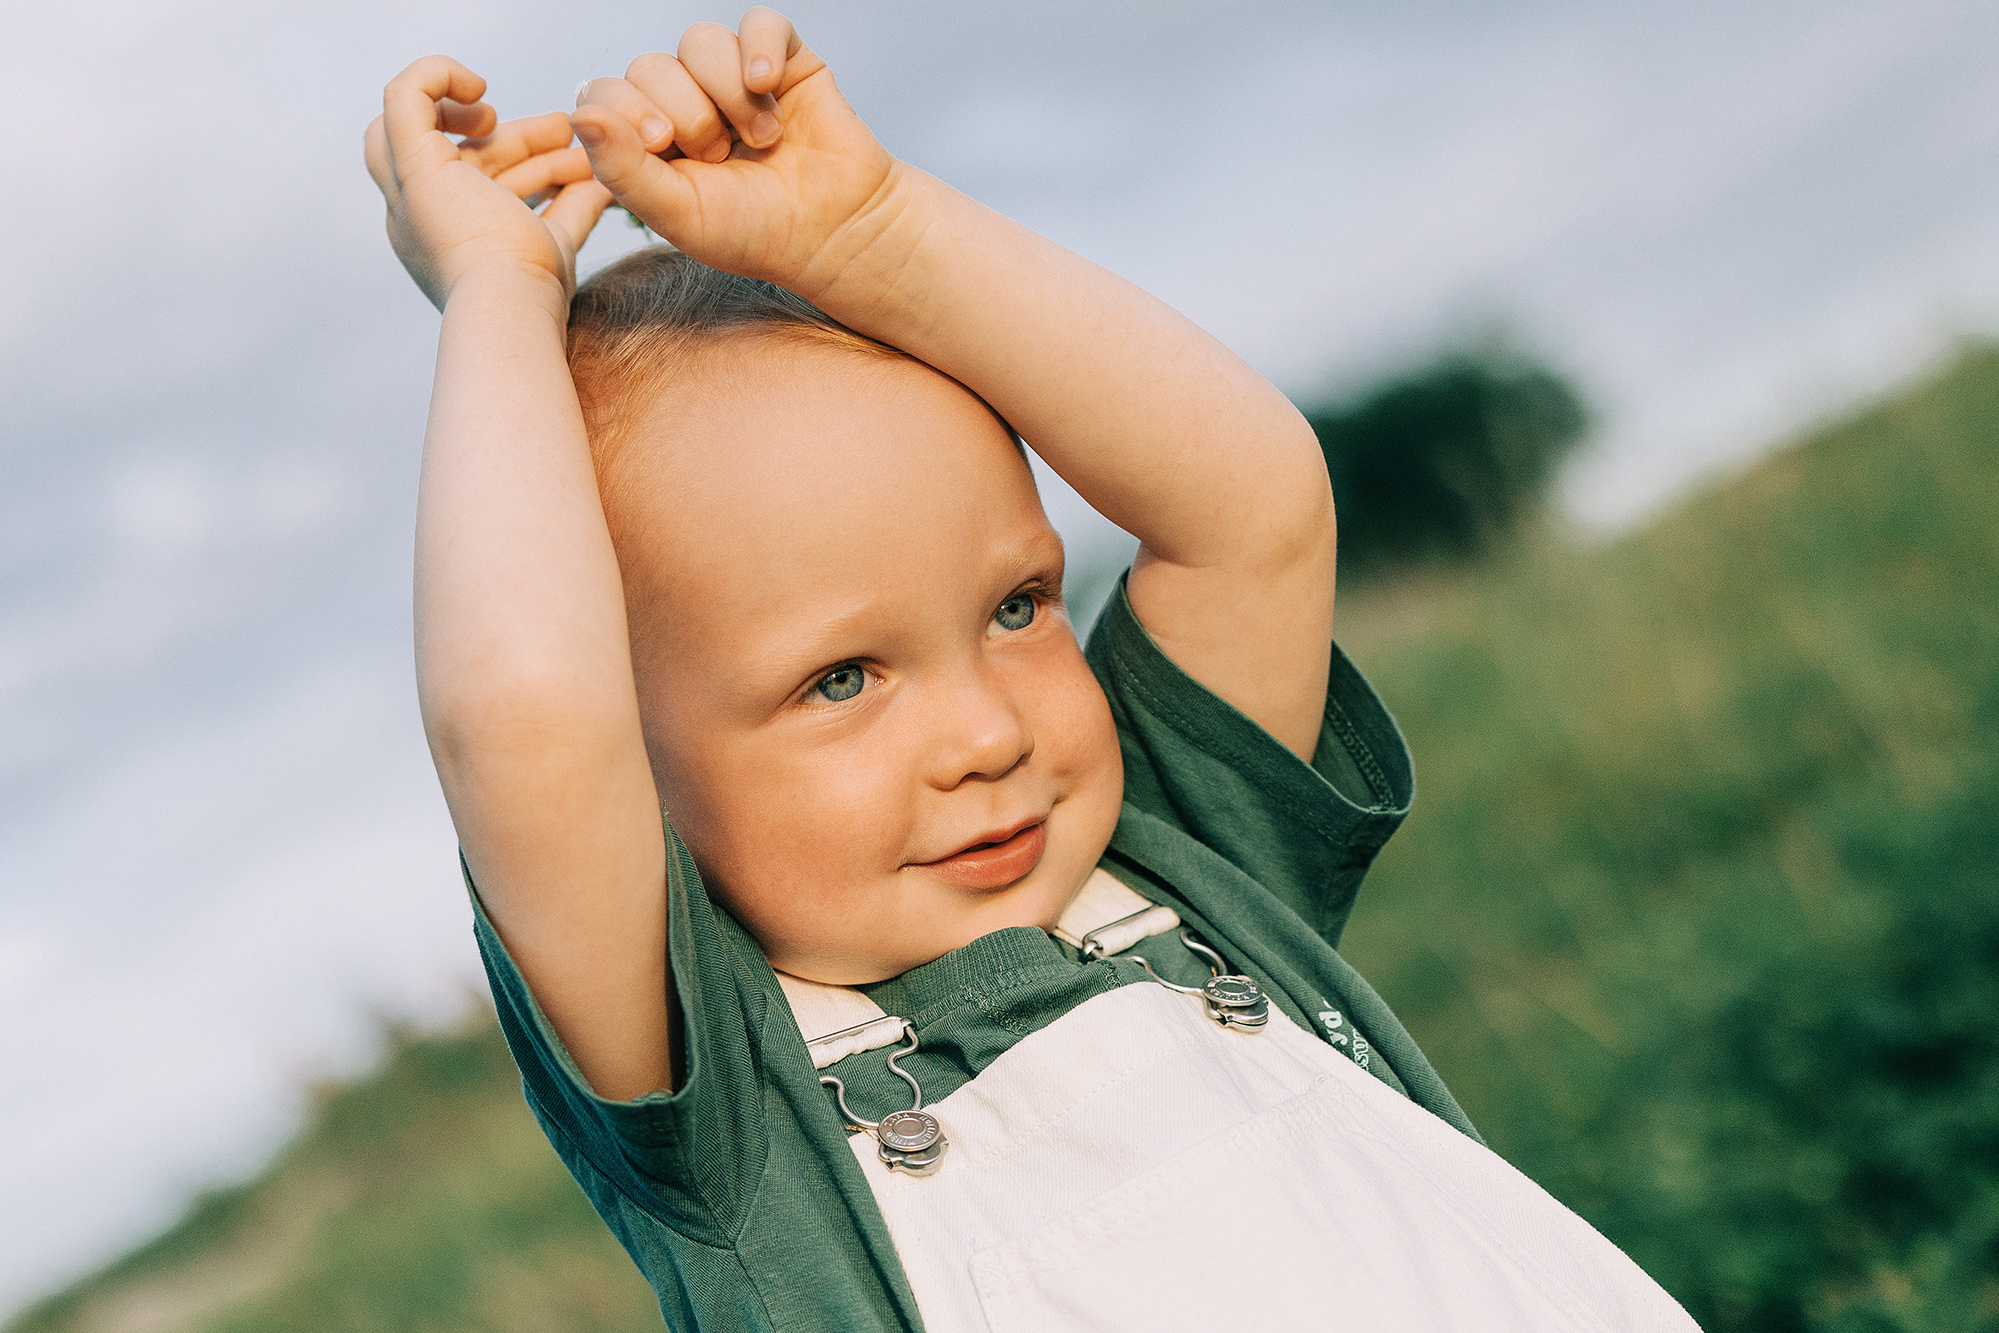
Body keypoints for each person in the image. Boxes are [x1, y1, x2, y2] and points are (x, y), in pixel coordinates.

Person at [364, 9, 1698, 1329]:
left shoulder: (1182, 860)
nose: (989, 733)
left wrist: (870, 232)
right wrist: (499, 293)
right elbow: (524, 720)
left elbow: (1252, 502)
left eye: (1016, 606)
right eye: (841, 679)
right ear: (638, 785)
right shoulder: (729, 1114)